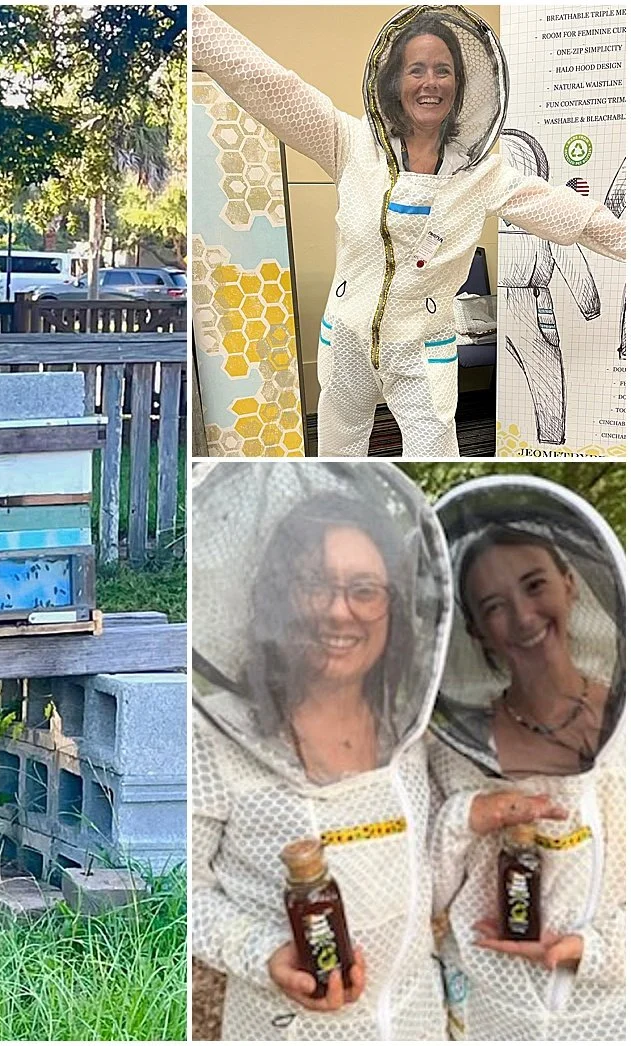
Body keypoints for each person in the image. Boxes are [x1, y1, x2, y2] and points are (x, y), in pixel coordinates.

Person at [191, 7, 626, 457]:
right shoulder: (351, 144)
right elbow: (267, 83)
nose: (430, 82)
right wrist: (191, 22)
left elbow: (573, 215)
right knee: (339, 454)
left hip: (422, 349)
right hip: (346, 338)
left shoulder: (484, 174)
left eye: (443, 70)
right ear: (395, 81)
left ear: (460, 86)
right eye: (416, 70)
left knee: (434, 454)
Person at [190, 461, 452, 1038]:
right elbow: (185, 893)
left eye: (364, 590)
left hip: (414, 1022)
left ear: (392, 606)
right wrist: (263, 952)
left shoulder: (410, 733)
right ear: (278, 599)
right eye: (315, 584)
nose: (340, 610)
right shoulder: (217, 738)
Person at [427, 476, 624, 1039]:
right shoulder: (452, 747)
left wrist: (595, 950)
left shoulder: (624, 723)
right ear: (476, 630)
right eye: (494, 606)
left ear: (571, 584)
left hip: (610, 1016)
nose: (523, 616)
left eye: (535, 585)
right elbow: (429, 893)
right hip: (490, 1016)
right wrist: (466, 819)